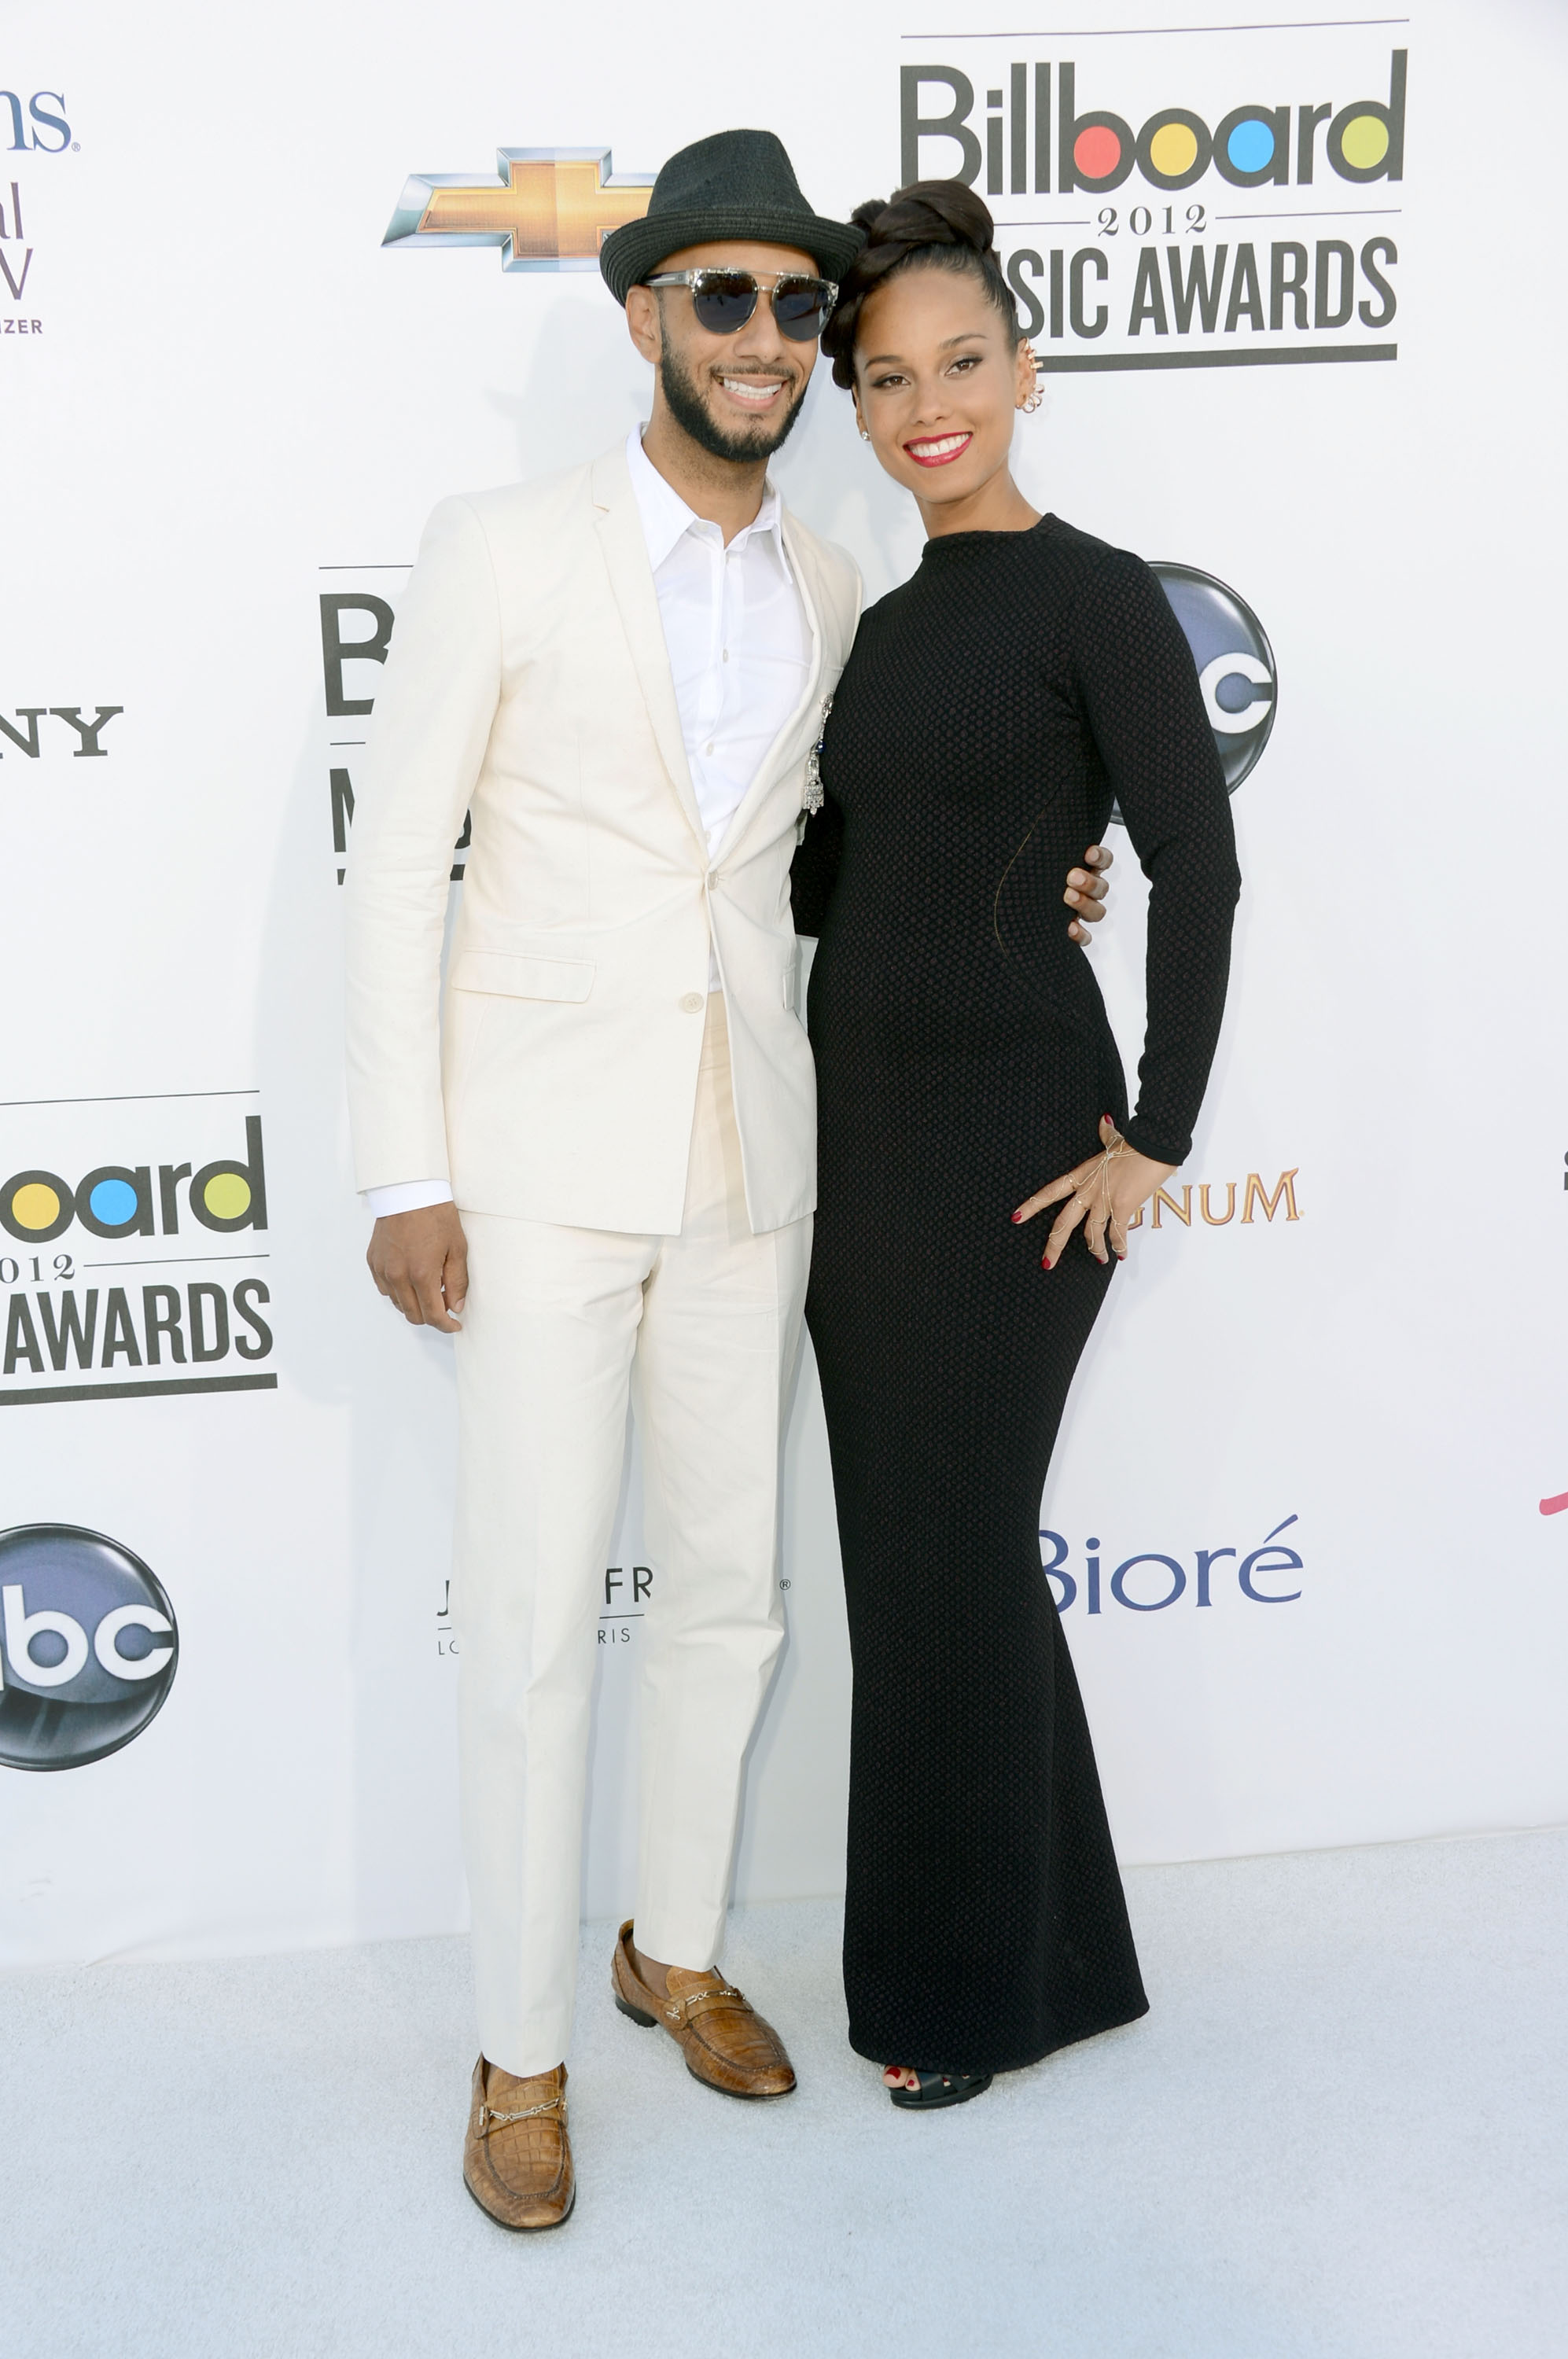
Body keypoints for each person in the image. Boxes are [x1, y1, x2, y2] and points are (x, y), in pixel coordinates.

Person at [344, 127, 1117, 2229]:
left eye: (799, 309)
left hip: (760, 1160)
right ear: (646, 318)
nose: (769, 339)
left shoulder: (840, 581)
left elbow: (851, 860)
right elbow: (393, 868)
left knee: (734, 1595)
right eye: (728, 300)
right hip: (529, 1175)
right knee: (523, 1622)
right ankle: (521, 2052)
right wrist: (406, 1171)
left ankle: (670, 1950)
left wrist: (1040, 878)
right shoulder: (499, 544)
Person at [791, 181, 1242, 2108]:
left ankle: (957, 1998)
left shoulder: (1096, 594)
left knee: (949, 1561)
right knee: (922, 1568)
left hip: (1015, 1155)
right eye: (884, 378)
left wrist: (1155, 1133)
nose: (923, 405)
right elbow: (833, 879)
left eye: (958, 362)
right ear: (856, 406)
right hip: (860, 1149)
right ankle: (1060, 1951)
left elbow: (1199, 870)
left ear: (1024, 367)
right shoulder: (875, 622)